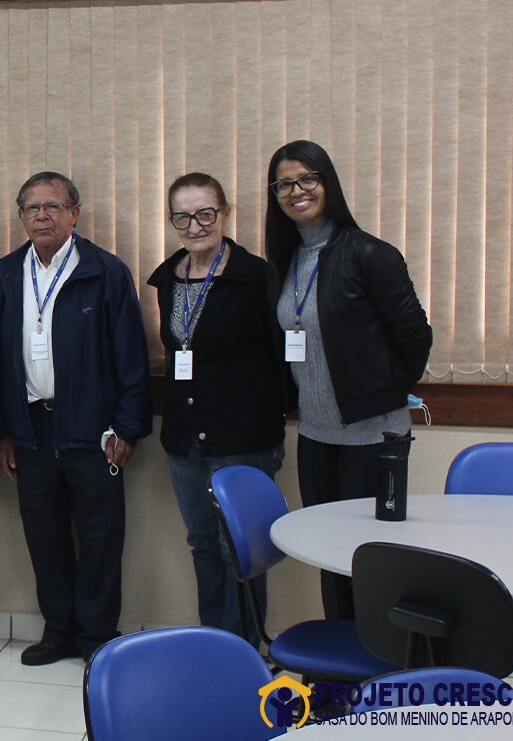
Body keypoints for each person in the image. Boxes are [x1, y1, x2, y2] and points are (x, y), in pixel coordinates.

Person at [0, 171, 151, 665]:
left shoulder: (104, 271)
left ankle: (96, 636)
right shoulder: (7, 274)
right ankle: (58, 632)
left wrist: (127, 427)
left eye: (53, 206)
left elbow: (131, 356)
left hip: (93, 427)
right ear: (20, 217)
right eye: (32, 208)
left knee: (100, 538)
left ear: (74, 214)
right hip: (32, 429)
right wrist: (2, 432)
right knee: (44, 535)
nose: (42, 215)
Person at [264, 140, 431, 620]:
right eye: (284, 184)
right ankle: (337, 673)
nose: (296, 190)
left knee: (369, 559)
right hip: (316, 435)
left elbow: (415, 337)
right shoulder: (287, 260)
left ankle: (375, 672)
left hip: (372, 434)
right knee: (328, 557)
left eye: (307, 178)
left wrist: (382, 394)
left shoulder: (370, 254)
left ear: (327, 182)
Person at [145, 173, 284, 646]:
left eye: (205, 213)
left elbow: (283, 353)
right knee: (203, 544)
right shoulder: (167, 279)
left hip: (242, 438)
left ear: (225, 214)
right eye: (182, 216)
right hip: (185, 439)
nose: (195, 224)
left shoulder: (256, 277)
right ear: (171, 221)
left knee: (239, 549)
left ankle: (245, 648)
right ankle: (213, 644)